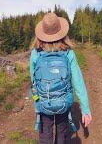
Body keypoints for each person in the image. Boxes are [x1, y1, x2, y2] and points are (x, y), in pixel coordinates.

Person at [30, 12, 92, 144]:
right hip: (63, 103)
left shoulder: (36, 53)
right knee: (62, 134)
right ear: (62, 32)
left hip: (44, 103)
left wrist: (37, 100)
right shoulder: (68, 53)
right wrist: (85, 109)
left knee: (45, 135)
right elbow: (78, 82)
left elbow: (34, 81)